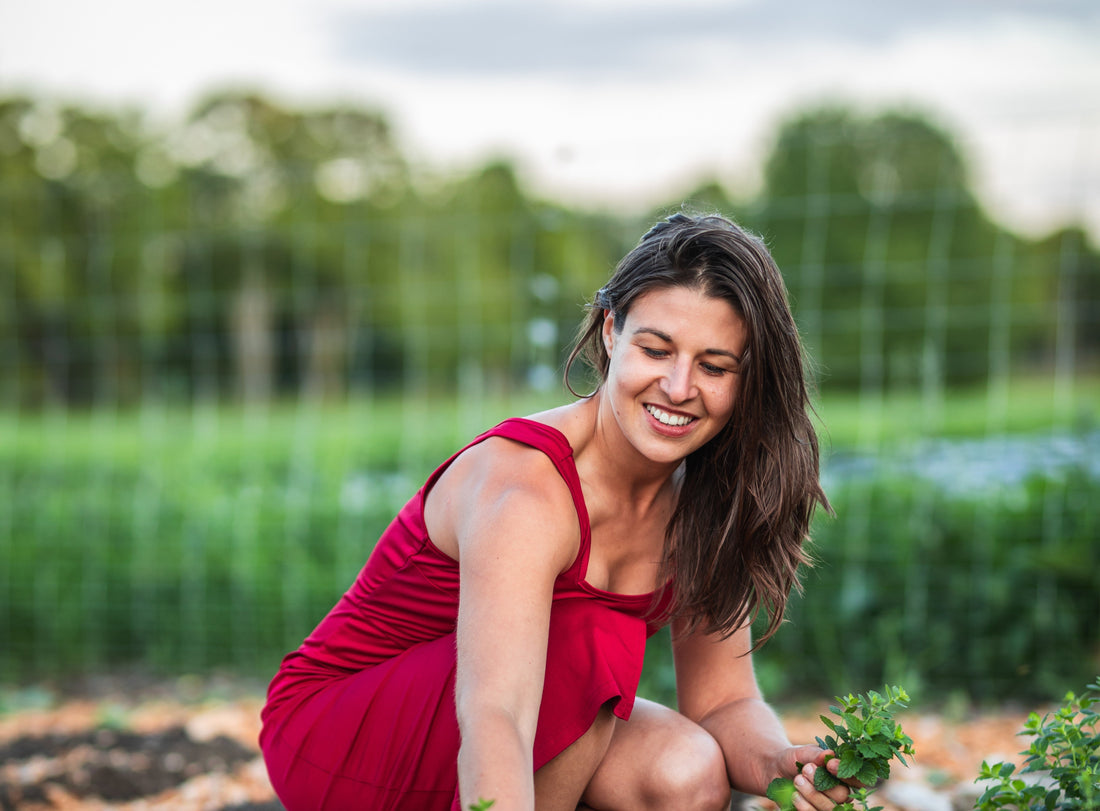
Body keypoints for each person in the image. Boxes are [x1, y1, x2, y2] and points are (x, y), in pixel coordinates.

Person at [260, 212, 852, 811]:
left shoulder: (705, 503)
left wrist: (781, 763)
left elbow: (724, 702)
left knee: (687, 771)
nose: (678, 387)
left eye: (714, 366)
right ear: (611, 331)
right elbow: (497, 716)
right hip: (340, 734)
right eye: (656, 349)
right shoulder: (529, 491)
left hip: (486, 726)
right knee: (595, 634)